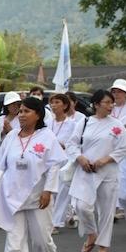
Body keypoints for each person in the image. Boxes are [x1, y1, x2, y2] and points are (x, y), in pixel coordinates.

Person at [0, 97, 66, 252]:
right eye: (20, 111)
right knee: (14, 240)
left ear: (38, 114)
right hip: (12, 196)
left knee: (41, 240)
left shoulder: (47, 136)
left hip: (38, 197)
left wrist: (48, 190)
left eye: (26, 111)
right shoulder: (12, 136)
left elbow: (54, 166)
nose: (21, 115)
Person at [67, 90, 126, 252]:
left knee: (106, 210)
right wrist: (80, 158)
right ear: (96, 104)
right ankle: (92, 233)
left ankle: (103, 246)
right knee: (82, 207)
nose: (110, 106)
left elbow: (124, 146)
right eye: (107, 102)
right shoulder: (85, 122)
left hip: (108, 172)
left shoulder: (117, 125)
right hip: (87, 171)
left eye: (112, 102)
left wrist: (106, 159)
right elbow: (72, 144)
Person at [48, 94, 77, 233]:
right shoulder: (48, 123)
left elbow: (73, 143)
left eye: (57, 102)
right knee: (51, 192)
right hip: (50, 161)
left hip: (65, 161)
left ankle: (56, 222)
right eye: (52, 102)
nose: (54, 105)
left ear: (65, 105)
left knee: (62, 193)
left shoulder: (72, 124)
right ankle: (68, 213)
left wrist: (60, 144)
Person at [109, 79, 126, 218]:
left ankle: (122, 205)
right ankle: (117, 206)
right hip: (111, 148)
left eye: (120, 91)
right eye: (114, 91)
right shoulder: (109, 107)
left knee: (123, 177)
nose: (117, 94)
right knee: (116, 177)